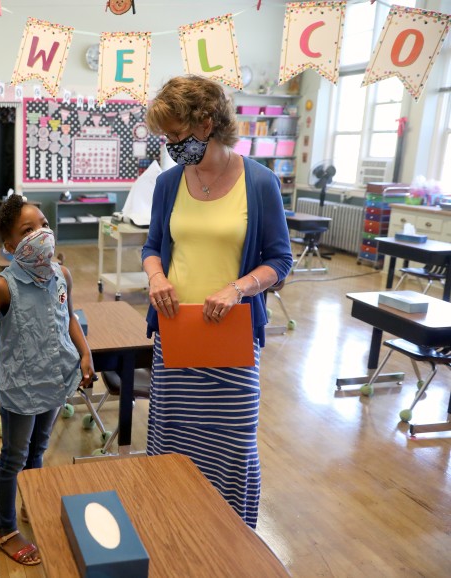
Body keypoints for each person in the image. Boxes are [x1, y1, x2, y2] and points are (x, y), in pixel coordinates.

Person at [141, 74, 293, 529]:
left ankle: (230, 541)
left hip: (232, 340)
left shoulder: (260, 183)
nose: (170, 144)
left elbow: (280, 261)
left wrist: (239, 288)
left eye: (175, 134)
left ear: (207, 123)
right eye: (165, 136)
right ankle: (175, 533)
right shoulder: (170, 184)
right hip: (177, 334)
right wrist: (156, 278)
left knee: (233, 447)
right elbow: (152, 247)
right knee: (173, 444)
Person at [0, 194, 95, 566]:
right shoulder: (2, 286)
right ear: (10, 245)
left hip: (56, 380)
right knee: (13, 456)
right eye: (29, 230)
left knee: (39, 449)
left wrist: (86, 353)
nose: (41, 233)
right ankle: (5, 528)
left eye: (43, 224)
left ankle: (34, 496)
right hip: (22, 389)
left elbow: (70, 316)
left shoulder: (63, 274)